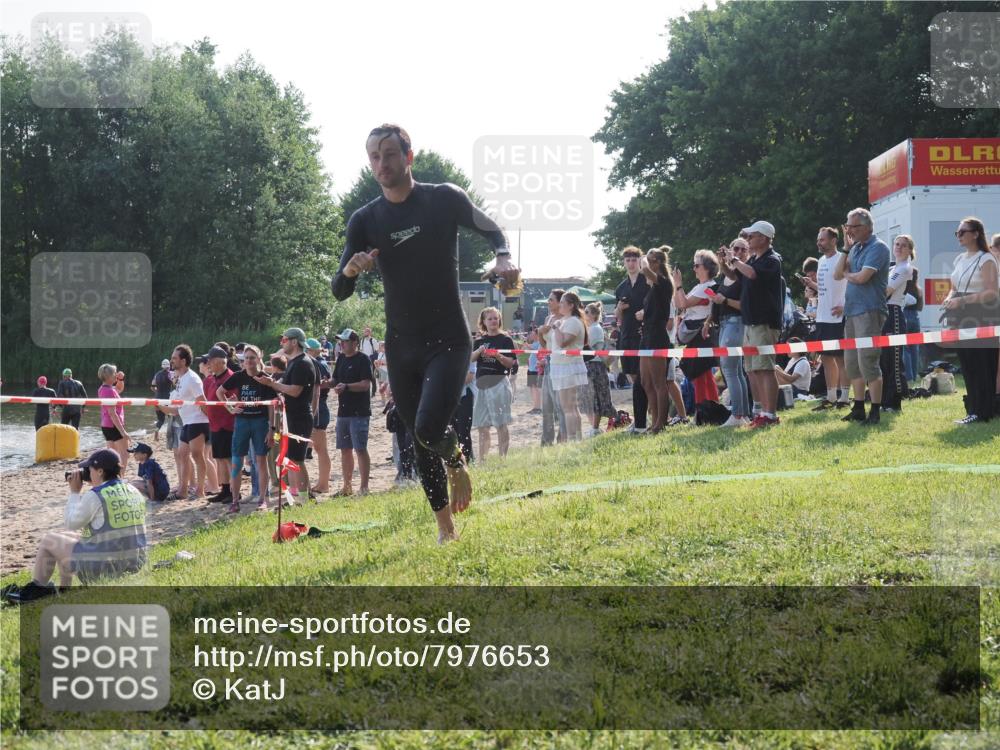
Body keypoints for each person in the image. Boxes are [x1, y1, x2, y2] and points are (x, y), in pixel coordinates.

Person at [331, 124, 515, 543]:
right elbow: (339, 290)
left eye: (390, 155)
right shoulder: (365, 220)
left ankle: (457, 460)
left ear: (408, 156)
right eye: (374, 157)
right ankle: (446, 530)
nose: (382, 164)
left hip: (448, 337)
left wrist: (503, 257)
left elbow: (492, 230)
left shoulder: (443, 198)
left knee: (432, 428)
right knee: (417, 436)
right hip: (402, 343)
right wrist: (351, 269)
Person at [14, 449, 146, 600]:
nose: (87, 473)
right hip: (134, 562)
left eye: (89, 469)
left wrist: (74, 492)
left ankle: (36, 590)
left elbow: (71, 523)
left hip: (106, 569)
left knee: (49, 540)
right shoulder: (132, 490)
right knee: (65, 537)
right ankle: (65, 590)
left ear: (100, 471)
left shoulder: (97, 495)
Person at [725, 220, 784, 428]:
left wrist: (735, 259)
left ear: (765, 238)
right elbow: (737, 277)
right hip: (751, 323)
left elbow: (751, 274)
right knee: (753, 369)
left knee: (766, 369)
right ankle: (760, 411)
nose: (748, 239)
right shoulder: (754, 260)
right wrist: (725, 262)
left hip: (764, 322)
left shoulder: (772, 260)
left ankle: (770, 414)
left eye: (752, 236)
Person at [941, 216, 999, 424]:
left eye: (962, 232)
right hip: (961, 314)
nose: (959, 236)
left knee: (982, 363)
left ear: (976, 234)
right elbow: (954, 287)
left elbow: (992, 292)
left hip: (981, 314)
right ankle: (973, 409)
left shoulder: (986, 258)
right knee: (967, 363)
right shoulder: (960, 259)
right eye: (957, 232)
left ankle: (983, 411)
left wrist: (963, 300)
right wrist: (949, 298)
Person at [835, 208, 891, 426]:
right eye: (847, 226)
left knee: (868, 361)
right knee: (852, 364)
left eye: (853, 226)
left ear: (867, 227)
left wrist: (848, 274)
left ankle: (875, 411)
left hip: (869, 310)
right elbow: (837, 274)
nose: (849, 230)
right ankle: (858, 407)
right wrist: (846, 250)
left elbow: (861, 278)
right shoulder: (855, 248)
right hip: (851, 312)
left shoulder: (878, 248)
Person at [256, 328, 316, 499]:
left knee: (297, 459)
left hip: (300, 416)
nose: (282, 343)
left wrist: (272, 384)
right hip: (292, 416)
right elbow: (287, 388)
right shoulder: (294, 362)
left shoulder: (303, 363)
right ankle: (298, 497)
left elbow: (296, 391)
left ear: (294, 342)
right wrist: (270, 383)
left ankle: (303, 499)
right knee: (291, 459)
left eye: (284, 340)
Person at [218, 344, 276, 511]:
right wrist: (230, 407)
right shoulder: (238, 376)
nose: (249, 361)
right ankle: (235, 501)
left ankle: (262, 500)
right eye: (246, 358)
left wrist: (272, 429)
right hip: (242, 422)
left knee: (261, 461)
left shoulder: (265, 378)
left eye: (252, 358)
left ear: (259, 359)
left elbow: (272, 406)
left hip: (260, 422)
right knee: (237, 461)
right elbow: (219, 392)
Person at [803, 227, 851, 411]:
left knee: (840, 358)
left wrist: (845, 307)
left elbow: (851, 284)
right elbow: (826, 289)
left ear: (833, 240)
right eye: (818, 239)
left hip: (837, 317)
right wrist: (812, 284)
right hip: (822, 316)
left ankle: (844, 397)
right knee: (826, 357)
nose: (819, 243)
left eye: (822, 239)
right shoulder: (821, 260)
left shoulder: (842, 258)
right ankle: (831, 397)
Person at [673, 249, 721, 411]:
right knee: (703, 374)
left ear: (707, 267)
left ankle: (703, 409)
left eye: (696, 265)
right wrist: (676, 286)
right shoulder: (700, 287)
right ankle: (710, 407)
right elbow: (679, 302)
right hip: (697, 334)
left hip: (701, 334)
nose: (693, 268)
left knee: (699, 373)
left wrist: (678, 284)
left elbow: (682, 304)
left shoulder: (708, 286)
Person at [161, 345, 211, 499]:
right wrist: (160, 406)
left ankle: (200, 490)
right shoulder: (181, 379)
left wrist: (211, 423)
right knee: (183, 455)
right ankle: (183, 490)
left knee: (197, 455)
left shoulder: (192, 378)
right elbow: (177, 409)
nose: (171, 361)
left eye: (175, 358)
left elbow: (202, 402)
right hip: (187, 422)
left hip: (198, 422)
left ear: (183, 361)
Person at [634, 246, 675, 433]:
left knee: (659, 382)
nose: (645, 262)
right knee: (646, 382)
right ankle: (654, 420)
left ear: (658, 263)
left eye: (650, 260)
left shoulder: (664, 283)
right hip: (647, 335)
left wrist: (643, 259)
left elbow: (644, 270)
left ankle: (661, 422)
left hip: (658, 335)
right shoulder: (651, 288)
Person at [711, 239, 752, 427]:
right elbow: (729, 274)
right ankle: (742, 414)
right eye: (735, 248)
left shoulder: (745, 273)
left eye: (744, 249)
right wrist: (722, 262)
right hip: (725, 323)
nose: (739, 251)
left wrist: (725, 300)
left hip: (736, 323)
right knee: (735, 370)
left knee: (729, 370)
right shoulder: (732, 274)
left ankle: (737, 415)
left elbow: (745, 305)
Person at [330, 328, 374, 496]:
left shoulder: (363, 359)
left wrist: (346, 386)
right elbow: (335, 380)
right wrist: (325, 383)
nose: (342, 344)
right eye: (341, 341)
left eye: (345, 341)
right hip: (343, 411)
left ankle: (364, 488)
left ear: (355, 343)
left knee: (360, 449)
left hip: (359, 412)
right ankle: (347, 487)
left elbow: (365, 384)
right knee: (345, 449)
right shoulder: (341, 358)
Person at [542, 291, 589, 441]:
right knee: (571, 407)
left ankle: (572, 439)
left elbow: (562, 342)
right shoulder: (567, 320)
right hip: (561, 365)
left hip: (567, 366)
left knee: (568, 407)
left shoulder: (573, 321)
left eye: (562, 302)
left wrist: (555, 328)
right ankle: (577, 438)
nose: (560, 305)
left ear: (571, 305)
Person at [471, 307, 516, 459]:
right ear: (483, 321)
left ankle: (502, 458)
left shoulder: (505, 339)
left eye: (495, 318)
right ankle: (482, 460)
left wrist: (498, 355)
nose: (493, 321)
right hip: (481, 386)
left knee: (500, 424)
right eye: (489, 319)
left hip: (498, 383)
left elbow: (511, 364)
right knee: (482, 426)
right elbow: (470, 359)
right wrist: (478, 352)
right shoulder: (479, 341)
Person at [614, 246, 651, 433]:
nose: (631, 263)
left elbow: (657, 303)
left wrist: (645, 312)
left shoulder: (648, 282)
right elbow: (617, 316)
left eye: (634, 259)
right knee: (634, 379)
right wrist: (620, 308)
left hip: (643, 336)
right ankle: (640, 419)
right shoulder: (621, 287)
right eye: (627, 260)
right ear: (624, 262)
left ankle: (644, 420)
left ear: (639, 260)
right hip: (626, 336)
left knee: (644, 381)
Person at [881, 235, 914, 412]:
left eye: (903, 245)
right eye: (896, 244)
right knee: (884, 361)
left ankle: (894, 402)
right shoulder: (892, 268)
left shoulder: (905, 268)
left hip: (893, 313)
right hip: (884, 313)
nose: (899, 247)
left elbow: (886, 291)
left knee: (894, 360)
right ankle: (885, 401)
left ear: (910, 250)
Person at [201, 346, 237, 509]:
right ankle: (225, 489)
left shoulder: (230, 378)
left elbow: (234, 403)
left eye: (209, 361)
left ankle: (234, 491)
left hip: (227, 424)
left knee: (228, 459)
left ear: (219, 362)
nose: (207, 364)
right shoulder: (210, 379)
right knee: (220, 458)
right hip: (214, 424)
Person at [538, 289, 568, 445]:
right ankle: (547, 440)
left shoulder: (566, 319)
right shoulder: (548, 318)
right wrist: (539, 333)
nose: (548, 302)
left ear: (559, 302)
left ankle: (563, 438)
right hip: (549, 362)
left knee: (561, 404)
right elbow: (544, 345)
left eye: (551, 300)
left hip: (562, 364)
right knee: (547, 405)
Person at [584, 302, 615, 435]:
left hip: (595, 365)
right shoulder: (592, 327)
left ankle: (596, 428)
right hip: (592, 365)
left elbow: (586, 345)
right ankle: (612, 420)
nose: (584, 314)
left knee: (597, 397)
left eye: (587, 312)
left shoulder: (595, 328)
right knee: (597, 397)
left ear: (594, 315)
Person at [97, 363, 130, 472]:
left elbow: (119, 388)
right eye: (115, 374)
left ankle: (113, 479)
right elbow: (112, 413)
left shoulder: (104, 388)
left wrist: (121, 379)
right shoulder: (109, 391)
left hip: (106, 425)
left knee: (112, 456)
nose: (116, 375)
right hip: (113, 425)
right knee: (124, 455)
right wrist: (123, 431)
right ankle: (120, 479)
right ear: (109, 376)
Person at [151, 359, 172, 438]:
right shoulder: (170, 374)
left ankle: (157, 430)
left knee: (160, 419)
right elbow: (175, 383)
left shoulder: (157, 375)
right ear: (168, 366)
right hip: (167, 398)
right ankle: (170, 434)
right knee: (171, 417)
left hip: (157, 398)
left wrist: (157, 392)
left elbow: (152, 387)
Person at [526, 329, 542, 414]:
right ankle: (535, 406)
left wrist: (524, 341)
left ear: (537, 335)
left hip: (535, 369)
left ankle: (537, 407)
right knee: (532, 388)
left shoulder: (539, 343)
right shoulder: (535, 343)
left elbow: (529, 347)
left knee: (535, 389)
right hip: (531, 369)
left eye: (533, 334)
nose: (531, 335)